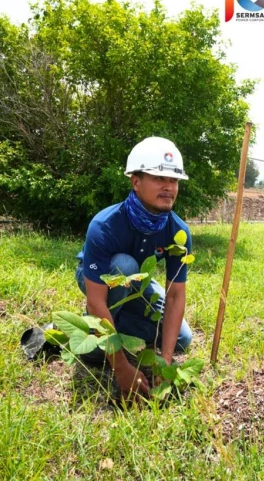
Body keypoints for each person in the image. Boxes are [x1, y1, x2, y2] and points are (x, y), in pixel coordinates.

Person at [75, 136, 194, 398]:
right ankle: (92, 326)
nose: (168, 187)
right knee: (124, 266)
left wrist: (164, 359)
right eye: (159, 178)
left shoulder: (178, 232)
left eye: (173, 180)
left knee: (181, 340)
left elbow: (175, 295)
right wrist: (121, 368)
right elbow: (96, 300)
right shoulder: (105, 225)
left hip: (138, 282)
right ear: (136, 182)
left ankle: (104, 329)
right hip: (99, 279)